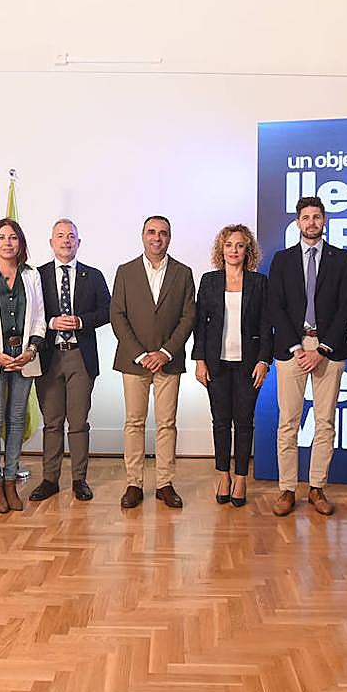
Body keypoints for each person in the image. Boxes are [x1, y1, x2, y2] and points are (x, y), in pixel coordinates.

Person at [267, 196, 347, 517]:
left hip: (329, 348)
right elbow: (275, 305)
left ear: (324, 220)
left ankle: (317, 487)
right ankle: (287, 489)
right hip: (291, 350)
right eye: (306, 217)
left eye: (317, 216)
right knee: (288, 422)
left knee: (325, 422)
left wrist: (321, 348)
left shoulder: (342, 259)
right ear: (298, 222)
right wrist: (297, 347)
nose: (311, 222)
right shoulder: (282, 259)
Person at [110, 216, 196, 509]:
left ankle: (164, 484)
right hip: (134, 361)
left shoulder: (183, 273)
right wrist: (142, 354)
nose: (157, 237)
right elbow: (117, 316)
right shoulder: (125, 271)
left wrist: (165, 352)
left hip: (168, 362)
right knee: (134, 422)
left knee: (166, 423)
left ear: (169, 238)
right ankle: (134, 483)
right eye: (151, 232)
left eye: (163, 233)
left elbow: (188, 317)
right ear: (142, 235)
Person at [192, 224, 273, 507]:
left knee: (244, 421)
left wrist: (264, 360)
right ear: (221, 249)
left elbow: (266, 325)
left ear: (247, 250)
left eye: (240, 245)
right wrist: (200, 360)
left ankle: (241, 478)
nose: (234, 250)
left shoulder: (259, 282)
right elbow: (199, 324)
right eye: (229, 245)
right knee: (220, 421)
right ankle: (223, 475)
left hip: (249, 363)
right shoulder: (209, 280)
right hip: (216, 363)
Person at [31, 219, 111, 503]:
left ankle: (79, 479)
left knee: (78, 422)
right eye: (60, 236)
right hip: (49, 357)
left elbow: (108, 311)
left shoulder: (94, 275)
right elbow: (31, 312)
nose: (66, 240)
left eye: (71, 236)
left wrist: (80, 321)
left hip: (80, 356)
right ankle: (49, 479)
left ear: (79, 242)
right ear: (51, 242)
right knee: (52, 422)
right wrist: (52, 322)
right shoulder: (36, 276)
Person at [0, 218, 46, 514]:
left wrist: (31, 350)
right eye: (1, 237)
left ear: (21, 243)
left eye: (13, 237)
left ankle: (10, 480)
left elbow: (40, 315)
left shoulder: (31, 274)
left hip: (23, 356)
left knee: (16, 420)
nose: (7, 242)